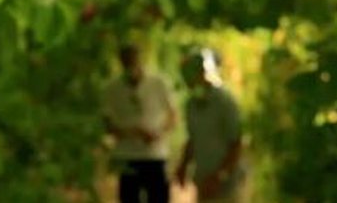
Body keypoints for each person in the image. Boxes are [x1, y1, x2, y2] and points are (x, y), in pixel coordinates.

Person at [103, 44, 178, 203]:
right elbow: (108, 124)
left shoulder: (159, 83)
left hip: (155, 155)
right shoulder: (112, 88)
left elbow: (173, 116)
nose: (131, 66)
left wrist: (158, 134)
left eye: (133, 61)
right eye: (126, 62)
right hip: (127, 155)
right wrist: (131, 132)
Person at [175, 48, 245, 202]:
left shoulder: (224, 102)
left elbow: (236, 144)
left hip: (227, 184)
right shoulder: (191, 105)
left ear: (201, 73)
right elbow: (193, 139)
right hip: (203, 181)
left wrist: (219, 177)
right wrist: (183, 166)